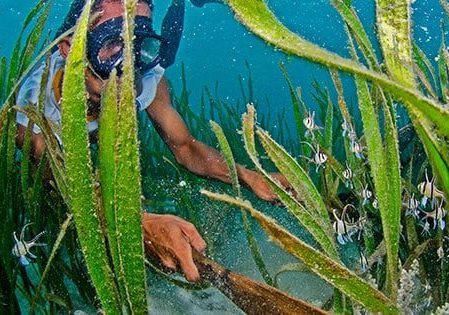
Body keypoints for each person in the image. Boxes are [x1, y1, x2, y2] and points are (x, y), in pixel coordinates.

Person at [15, 0, 290, 282]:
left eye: (138, 44)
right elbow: (66, 189)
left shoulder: (147, 80)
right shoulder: (33, 116)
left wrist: (249, 176)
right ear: (70, 49)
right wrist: (140, 224)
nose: (127, 66)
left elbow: (186, 149)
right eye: (111, 43)